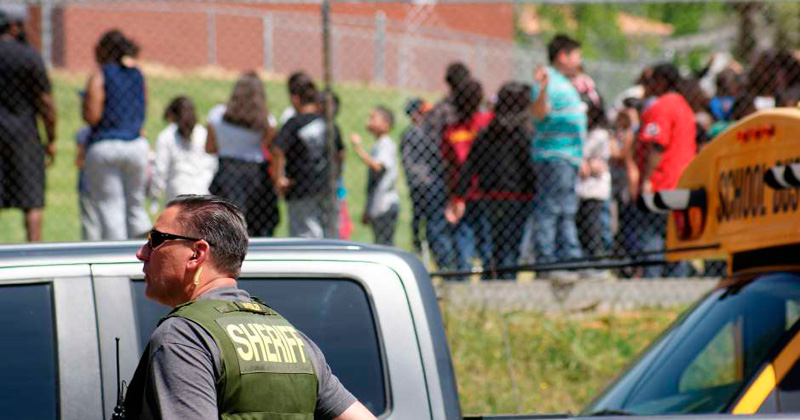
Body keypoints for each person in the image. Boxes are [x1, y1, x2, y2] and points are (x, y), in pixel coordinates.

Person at [125, 194, 378, 420]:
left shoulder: (185, 336)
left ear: (197, 253)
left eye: (155, 240)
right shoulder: (294, 340)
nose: (142, 253)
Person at [447, 82, 535, 280]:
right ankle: (506, 282)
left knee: (493, 244)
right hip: (519, 196)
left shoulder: (487, 133)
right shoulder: (524, 134)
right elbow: (530, 167)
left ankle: (492, 281)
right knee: (511, 246)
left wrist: (460, 195)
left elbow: (470, 165)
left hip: (490, 195)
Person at [82, 30, 150, 240]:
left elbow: (92, 116)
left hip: (106, 145)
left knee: (110, 206)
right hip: (136, 145)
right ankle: (146, 248)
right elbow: (142, 108)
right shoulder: (138, 74)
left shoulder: (100, 75)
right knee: (136, 205)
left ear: (104, 50)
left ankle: (116, 252)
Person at [633, 62, 696, 278]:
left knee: (653, 238)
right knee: (676, 241)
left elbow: (657, 145)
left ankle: (652, 286)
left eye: (651, 81)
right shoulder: (684, 106)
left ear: (661, 82)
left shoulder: (662, 106)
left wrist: (647, 180)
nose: (648, 86)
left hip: (663, 183)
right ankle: (677, 285)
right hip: (683, 182)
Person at [0, 6, 57, 242]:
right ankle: (35, 250)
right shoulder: (29, 56)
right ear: (14, 27)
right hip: (25, 135)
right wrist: (51, 138)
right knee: (32, 200)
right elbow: (45, 101)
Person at [530, 34, 586, 272]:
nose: (580, 61)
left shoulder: (565, 82)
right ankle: (547, 260)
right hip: (554, 156)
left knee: (566, 209)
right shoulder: (548, 81)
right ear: (563, 56)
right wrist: (542, 89)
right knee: (552, 208)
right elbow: (539, 113)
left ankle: (569, 259)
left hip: (569, 157)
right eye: (576, 56)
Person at [206, 72, 279, 237]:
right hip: (257, 176)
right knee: (259, 226)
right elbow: (269, 148)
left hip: (227, 173)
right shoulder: (267, 121)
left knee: (228, 227)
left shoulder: (217, 115)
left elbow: (210, 148)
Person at [273, 76, 344, 238]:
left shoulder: (294, 123)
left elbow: (277, 150)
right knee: (330, 231)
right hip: (328, 185)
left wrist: (279, 178)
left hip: (301, 188)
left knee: (305, 233)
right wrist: (336, 174)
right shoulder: (329, 124)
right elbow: (341, 153)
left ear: (295, 99)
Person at [442, 78, 493, 276]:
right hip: (486, 188)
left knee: (464, 234)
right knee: (487, 235)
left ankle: (462, 275)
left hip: (463, 191)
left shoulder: (452, 130)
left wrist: (453, 196)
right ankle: (490, 275)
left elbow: (449, 163)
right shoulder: (488, 121)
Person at [349, 106, 400, 246]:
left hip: (386, 205)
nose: (368, 121)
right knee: (380, 243)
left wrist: (358, 148)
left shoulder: (386, 144)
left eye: (373, 118)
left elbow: (377, 166)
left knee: (385, 245)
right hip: (378, 204)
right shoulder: (378, 144)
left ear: (386, 124)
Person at [152, 96, 217, 203]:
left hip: (180, 198)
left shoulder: (166, 136)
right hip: (201, 197)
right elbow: (213, 165)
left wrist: (155, 194)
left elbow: (160, 170)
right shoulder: (203, 134)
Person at [400, 98, 434, 253]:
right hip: (419, 182)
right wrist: (417, 176)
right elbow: (407, 160)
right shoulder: (410, 134)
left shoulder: (429, 131)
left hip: (430, 180)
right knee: (418, 213)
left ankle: (429, 243)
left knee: (430, 214)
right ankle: (418, 244)